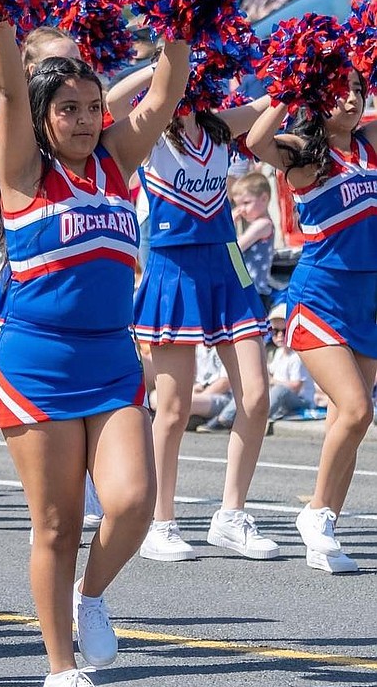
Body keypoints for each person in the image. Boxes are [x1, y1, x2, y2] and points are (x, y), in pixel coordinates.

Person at [0, 17, 189, 687]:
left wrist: (179, 20)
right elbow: (11, 93)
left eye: (90, 107)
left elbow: (163, 97)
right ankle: (60, 669)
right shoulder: (21, 172)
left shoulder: (114, 161)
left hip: (110, 357)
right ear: (42, 118)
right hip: (38, 361)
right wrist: (1, 13)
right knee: (56, 524)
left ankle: (91, 594)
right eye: (66, 108)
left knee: (133, 500)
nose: (82, 119)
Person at [112, 92, 277, 563]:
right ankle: (159, 520)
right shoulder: (149, 127)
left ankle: (230, 515)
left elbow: (273, 98)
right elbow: (113, 102)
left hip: (227, 264)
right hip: (173, 267)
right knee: (174, 407)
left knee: (257, 395)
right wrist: (163, 59)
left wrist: (300, 68)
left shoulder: (220, 125)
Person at [246, 68, 377, 573]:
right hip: (319, 297)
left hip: (366, 301)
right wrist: (292, 83)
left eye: (358, 90)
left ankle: (325, 528)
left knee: (348, 422)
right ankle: (316, 514)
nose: (350, 98)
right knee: (357, 409)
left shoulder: (368, 146)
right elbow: (256, 139)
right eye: (339, 90)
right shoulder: (305, 152)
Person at [201, 303, 316, 428]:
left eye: (284, 331)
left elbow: (295, 386)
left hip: (301, 400)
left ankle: (254, 419)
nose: (279, 336)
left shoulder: (296, 356)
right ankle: (225, 418)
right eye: (275, 331)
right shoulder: (278, 353)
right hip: (280, 398)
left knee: (279, 390)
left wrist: (271, 381)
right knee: (253, 389)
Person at [230, 171, 276, 310]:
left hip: (255, 291)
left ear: (264, 198)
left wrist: (229, 223)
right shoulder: (256, 225)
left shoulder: (263, 224)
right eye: (238, 204)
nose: (241, 209)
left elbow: (236, 248)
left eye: (246, 203)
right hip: (247, 288)